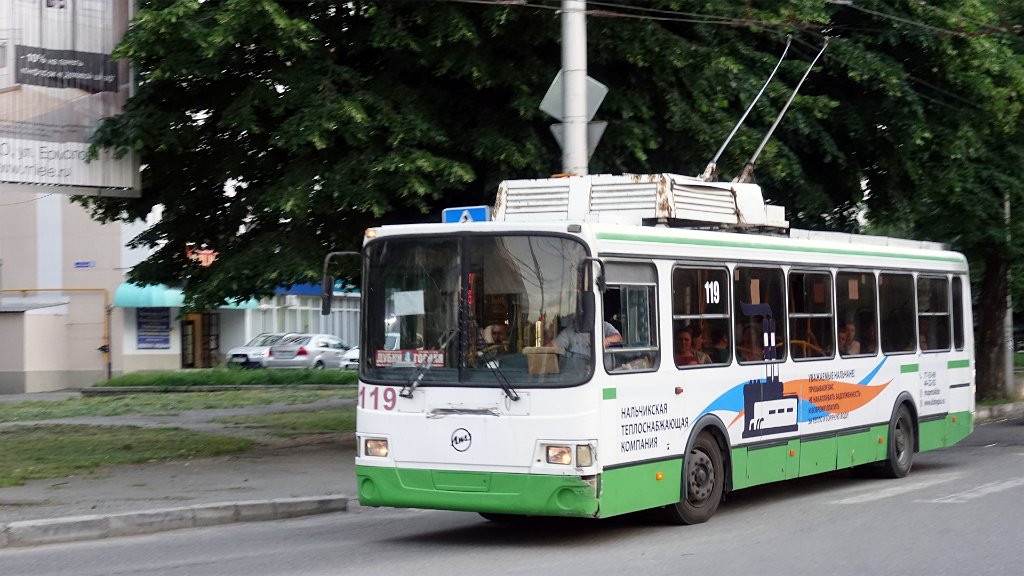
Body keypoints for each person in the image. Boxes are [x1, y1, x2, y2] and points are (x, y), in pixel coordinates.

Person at [549, 320, 621, 358]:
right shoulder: (570, 331)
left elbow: (618, 338)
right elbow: (550, 347)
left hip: (603, 375)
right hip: (577, 375)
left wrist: (607, 340)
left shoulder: (604, 326)